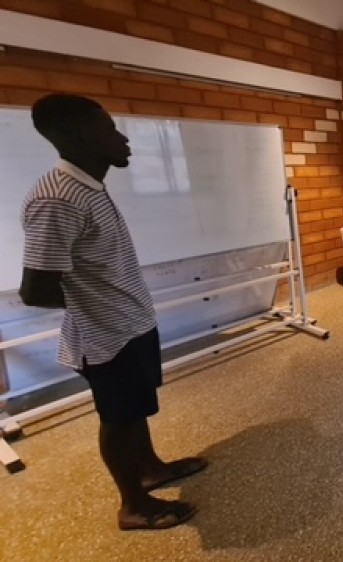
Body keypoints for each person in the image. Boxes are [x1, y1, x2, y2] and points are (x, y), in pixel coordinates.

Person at [19, 94, 206, 531]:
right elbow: (36, 289)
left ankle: (150, 469)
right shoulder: (57, 199)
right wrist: (98, 308)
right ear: (78, 137)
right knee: (118, 418)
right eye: (108, 130)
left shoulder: (89, 186)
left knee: (134, 408)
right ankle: (133, 506)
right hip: (106, 337)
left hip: (131, 323)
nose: (123, 139)